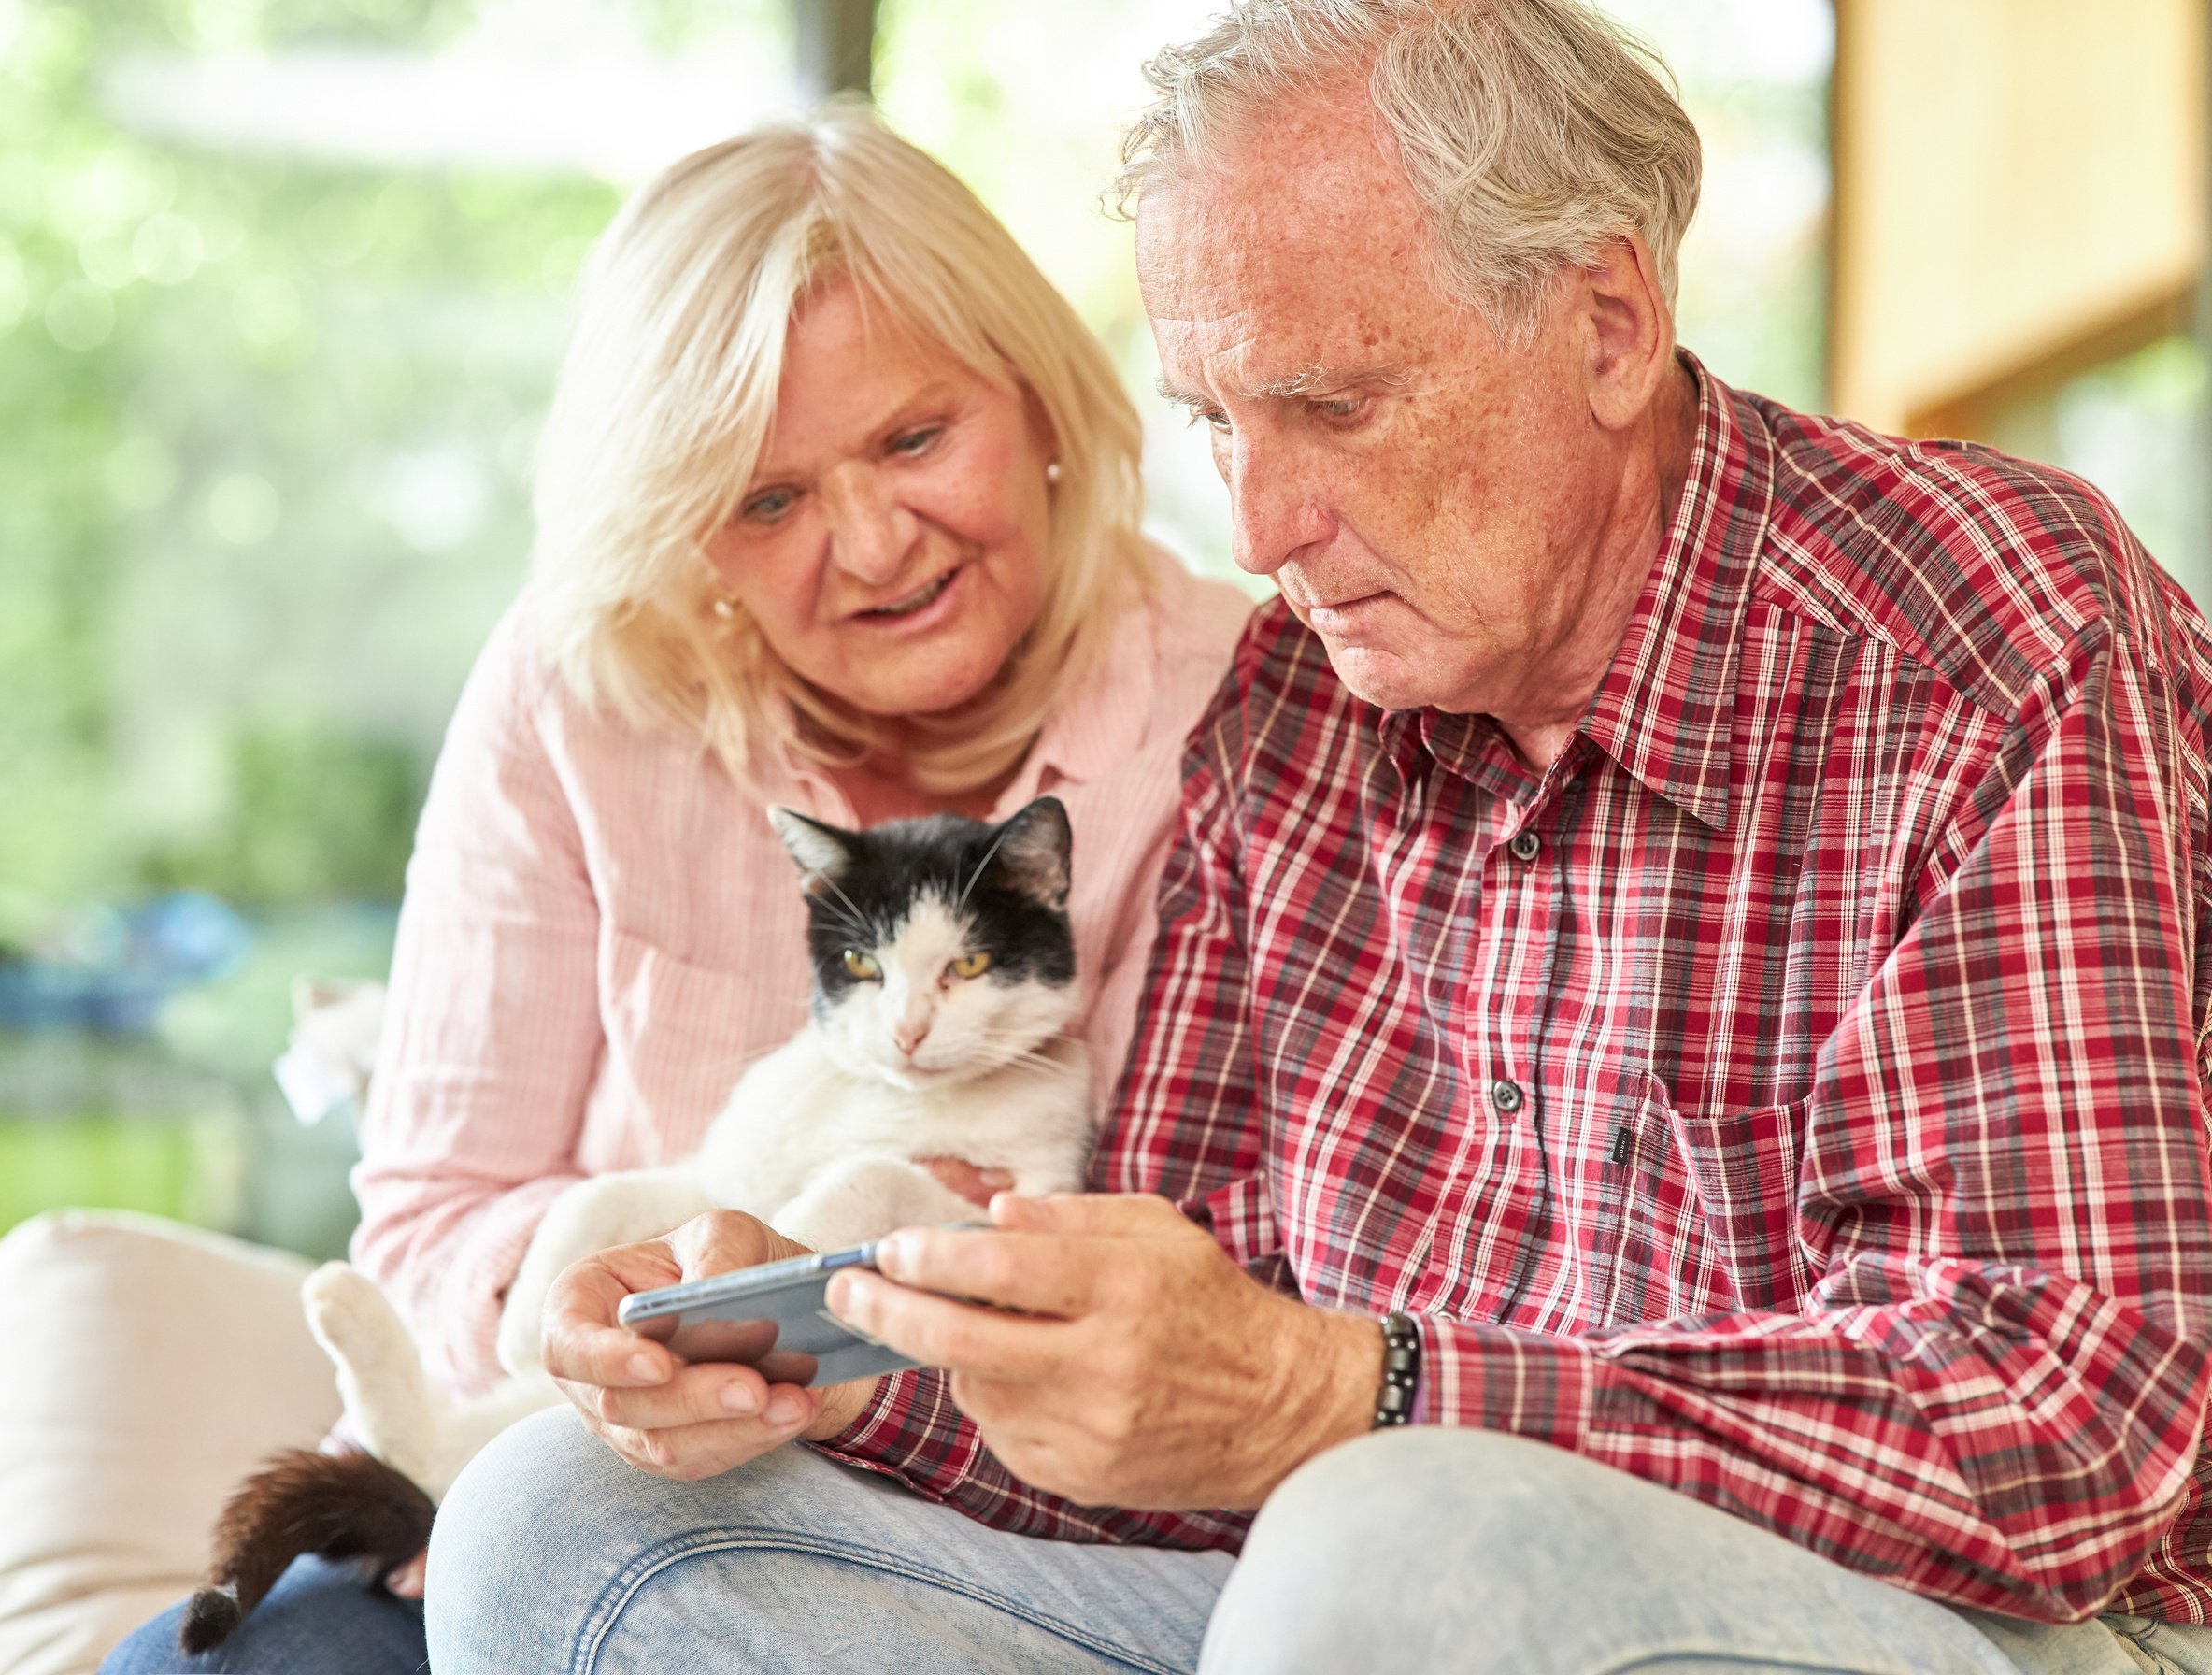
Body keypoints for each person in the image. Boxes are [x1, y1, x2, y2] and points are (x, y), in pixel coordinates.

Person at [434, 3, 2212, 1672]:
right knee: (568, 1523)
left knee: (1399, 1535)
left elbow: (2068, 1422)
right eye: (1219, 422)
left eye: (1335, 406)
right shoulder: (1296, 704)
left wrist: (1358, 1399)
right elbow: (1186, 1381)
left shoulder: (1987, 636)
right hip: (1316, 1602)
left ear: (1605, 320)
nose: (1265, 522)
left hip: (1951, 1622)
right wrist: (816, 1357)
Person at [94, 108, 1251, 1674]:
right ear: (686, 529)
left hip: (992, 1535)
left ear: (1042, 400)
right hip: (558, 1467)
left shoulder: (1242, 707)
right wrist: (588, 1333)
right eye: (768, 502)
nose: (870, 543)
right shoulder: (583, 697)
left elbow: (1243, 1282)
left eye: (915, 441)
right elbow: (432, 1212)